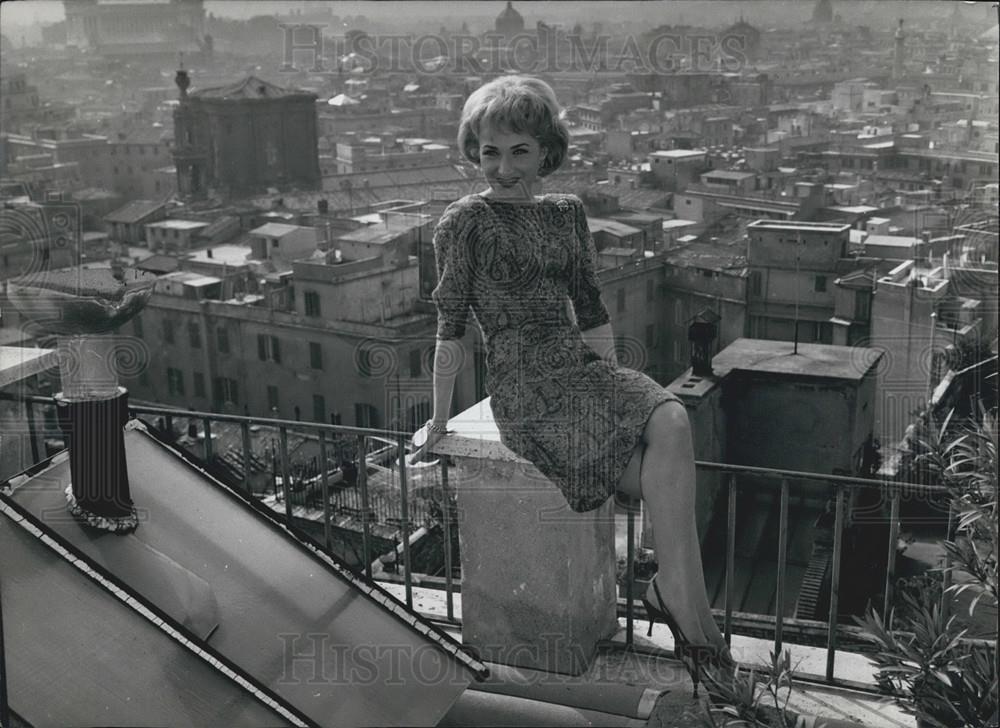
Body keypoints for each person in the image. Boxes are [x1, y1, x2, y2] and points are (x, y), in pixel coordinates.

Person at [408, 75, 733, 691]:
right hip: (526, 389)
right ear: (474, 154)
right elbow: (451, 330)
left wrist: (612, 388)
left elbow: (589, 307)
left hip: (577, 369)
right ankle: (693, 620)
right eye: (489, 152)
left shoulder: (566, 214)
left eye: (519, 150)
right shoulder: (466, 222)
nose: (503, 167)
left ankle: (672, 592)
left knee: (669, 418)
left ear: (546, 151)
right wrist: (440, 421)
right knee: (660, 457)